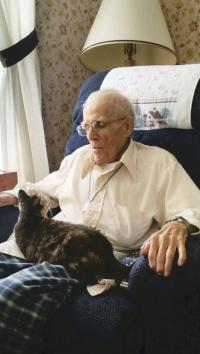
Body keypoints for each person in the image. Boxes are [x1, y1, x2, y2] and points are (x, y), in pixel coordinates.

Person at [0, 89, 200, 278]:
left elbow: (193, 207)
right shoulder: (78, 157)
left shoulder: (158, 164)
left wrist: (179, 224)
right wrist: (10, 196)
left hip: (81, 263)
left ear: (127, 126)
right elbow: (44, 189)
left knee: (6, 295)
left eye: (99, 125)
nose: (90, 136)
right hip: (42, 248)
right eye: (86, 126)